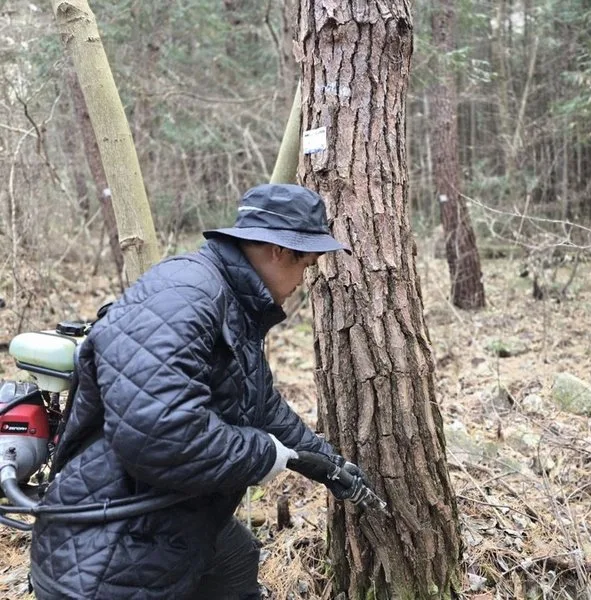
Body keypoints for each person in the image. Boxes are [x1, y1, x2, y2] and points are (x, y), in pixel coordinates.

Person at [29, 183, 378, 600]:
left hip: (171, 522)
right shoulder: (184, 295)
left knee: (237, 558)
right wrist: (263, 454)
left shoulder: (231, 301)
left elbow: (263, 408)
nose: (304, 281)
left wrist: (328, 466)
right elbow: (159, 436)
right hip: (109, 552)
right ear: (278, 251)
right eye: (306, 265)